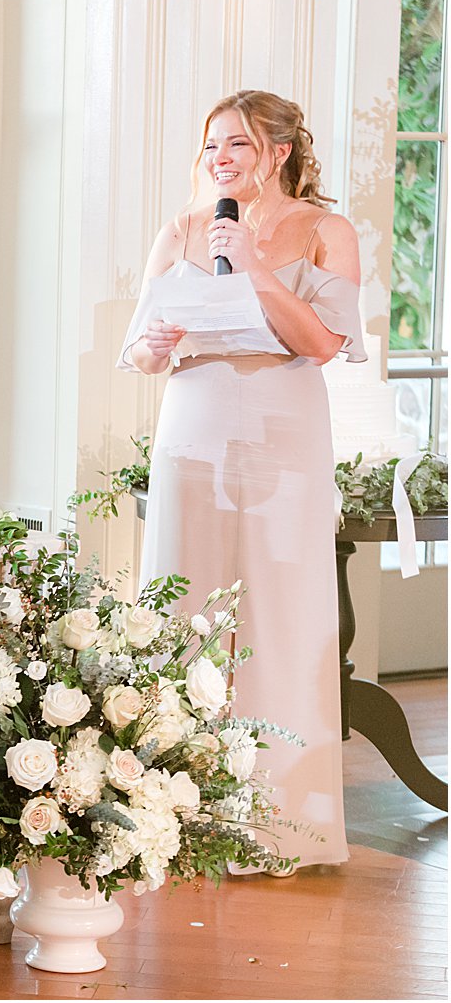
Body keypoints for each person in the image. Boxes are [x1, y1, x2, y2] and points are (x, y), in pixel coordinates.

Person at [119, 90, 360, 871]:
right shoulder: (182, 230)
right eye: (212, 147)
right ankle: (170, 816)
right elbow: (147, 355)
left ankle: (278, 823)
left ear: (280, 153)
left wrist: (256, 268)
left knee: (279, 613)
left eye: (238, 146)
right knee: (182, 606)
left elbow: (323, 342)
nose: (219, 160)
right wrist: (157, 340)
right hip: (191, 434)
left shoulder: (328, 232)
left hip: (282, 437)